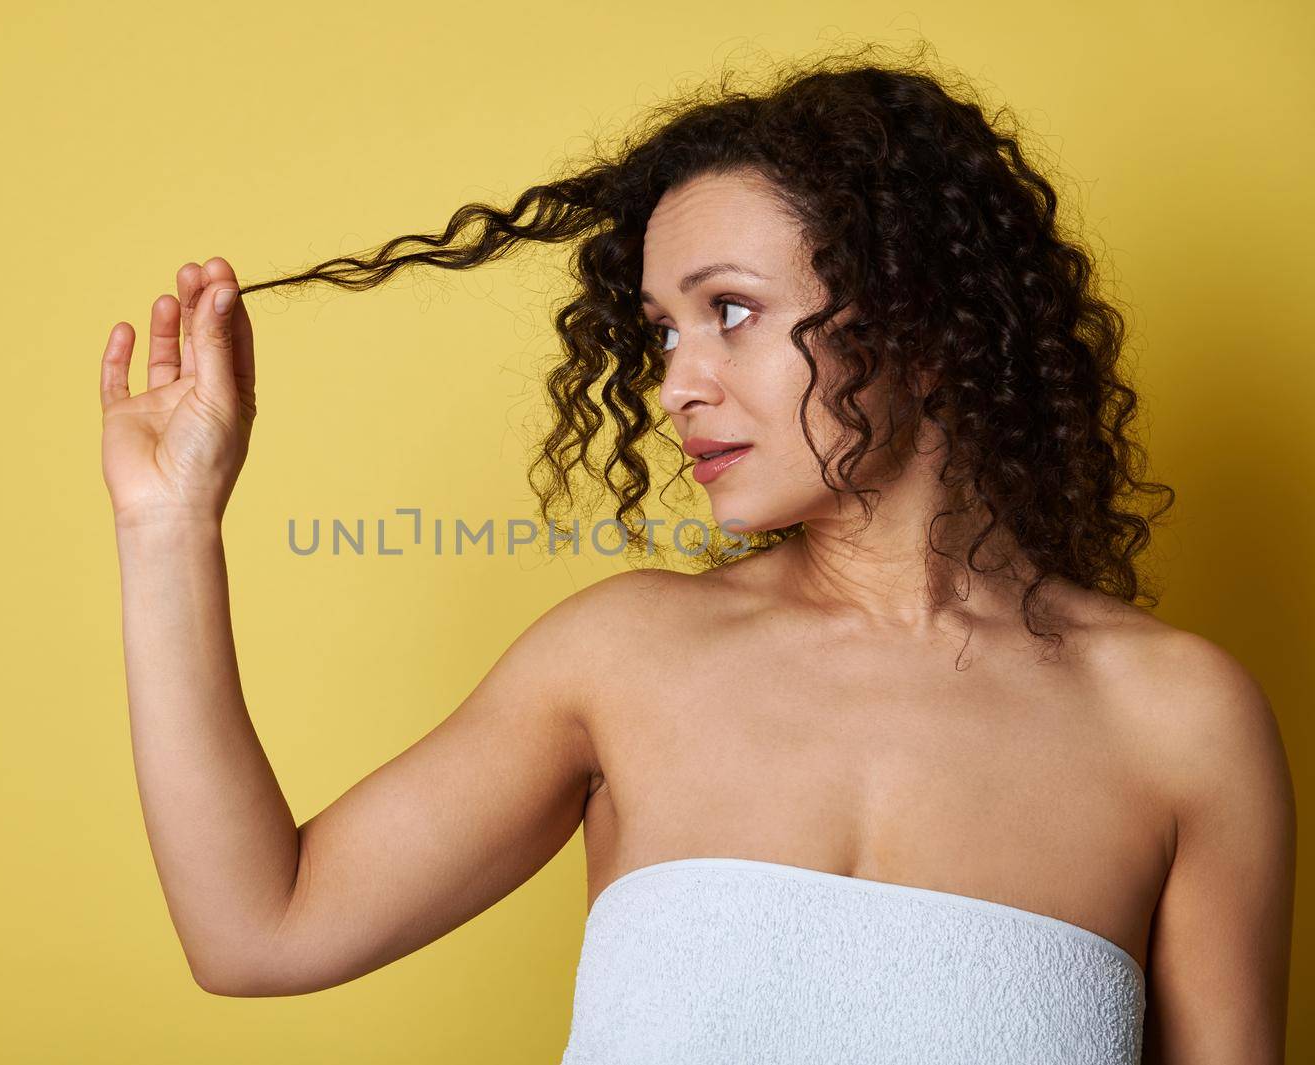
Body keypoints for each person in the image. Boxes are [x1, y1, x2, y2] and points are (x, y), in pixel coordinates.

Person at [96, 44, 1296, 1065]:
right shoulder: (623, 658)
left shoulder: (1177, 721)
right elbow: (260, 932)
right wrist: (167, 527)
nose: (676, 381)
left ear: (921, 315)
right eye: (661, 328)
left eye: (729, 310)